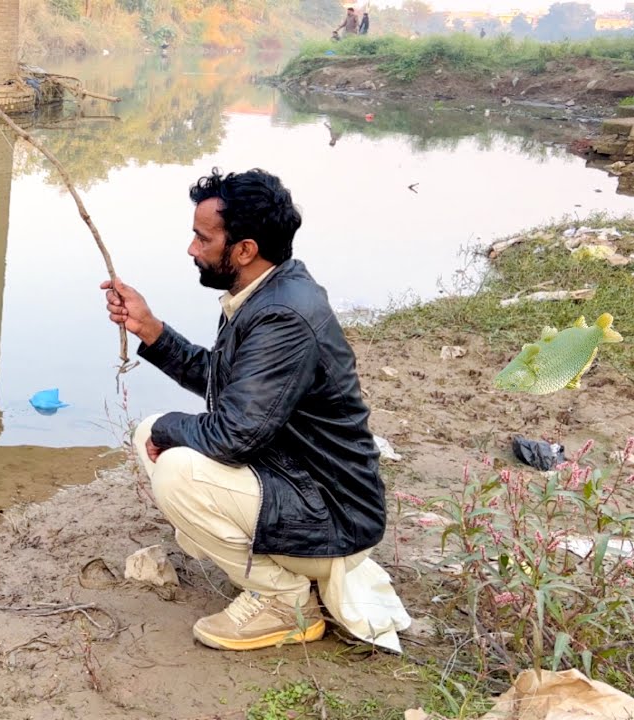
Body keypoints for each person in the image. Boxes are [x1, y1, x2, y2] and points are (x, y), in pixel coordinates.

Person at [100, 168, 412, 652]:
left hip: (335, 515)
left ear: (244, 250)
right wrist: (152, 331)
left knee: (177, 467)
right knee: (151, 436)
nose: (191, 249)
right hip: (299, 482)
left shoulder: (282, 315)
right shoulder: (269, 291)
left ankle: (284, 600)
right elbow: (229, 388)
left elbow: (233, 434)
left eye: (203, 238)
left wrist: (169, 427)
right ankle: (277, 574)